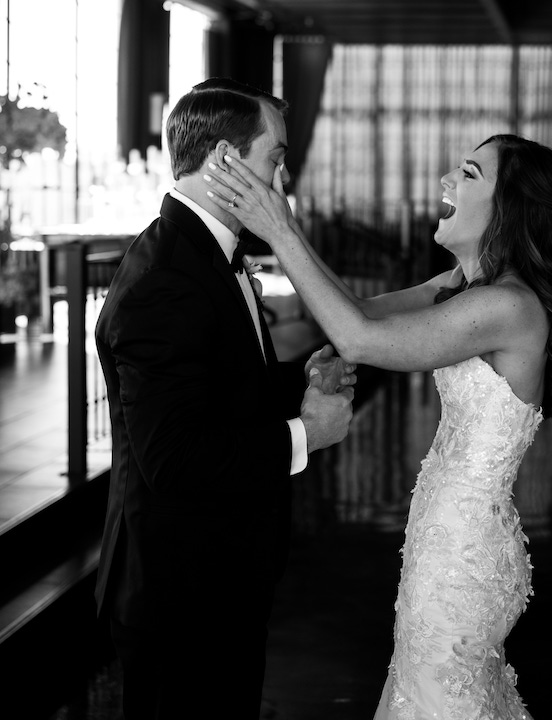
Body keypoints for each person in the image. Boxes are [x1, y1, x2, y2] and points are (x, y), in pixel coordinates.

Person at [202, 132, 552, 719]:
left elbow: (361, 336)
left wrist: (281, 230)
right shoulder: (461, 289)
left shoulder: (506, 306)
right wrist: (340, 348)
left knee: (440, 693)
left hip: (462, 554)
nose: (446, 182)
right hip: (445, 533)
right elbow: (360, 316)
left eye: (467, 174)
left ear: (509, 207)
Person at [94, 77, 356, 720]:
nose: (285, 177)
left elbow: (221, 389)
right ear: (225, 161)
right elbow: (175, 459)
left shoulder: (205, 254)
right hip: (180, 595)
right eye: (276, 157)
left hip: (218, 579)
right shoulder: (166, 280)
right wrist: (307, 435)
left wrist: (298, 385)